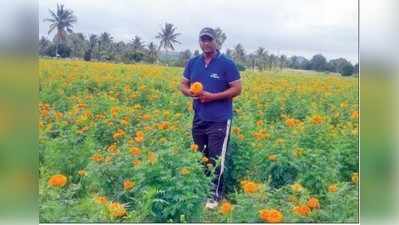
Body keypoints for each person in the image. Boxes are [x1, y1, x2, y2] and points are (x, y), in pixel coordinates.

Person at [179, 27, 242, 209]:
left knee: (216, 158)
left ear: (216, 42)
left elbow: (237, 89)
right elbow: (183, 84)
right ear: (199, 41)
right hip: (199, 117)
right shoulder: (193, 63)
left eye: (209, 40)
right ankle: (203, 189)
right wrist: (189, 92)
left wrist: (212, 96)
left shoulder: (226, 64)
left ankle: (215, 195)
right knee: (201, 156)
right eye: (203, 40)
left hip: (220, 119)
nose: (206, 43)